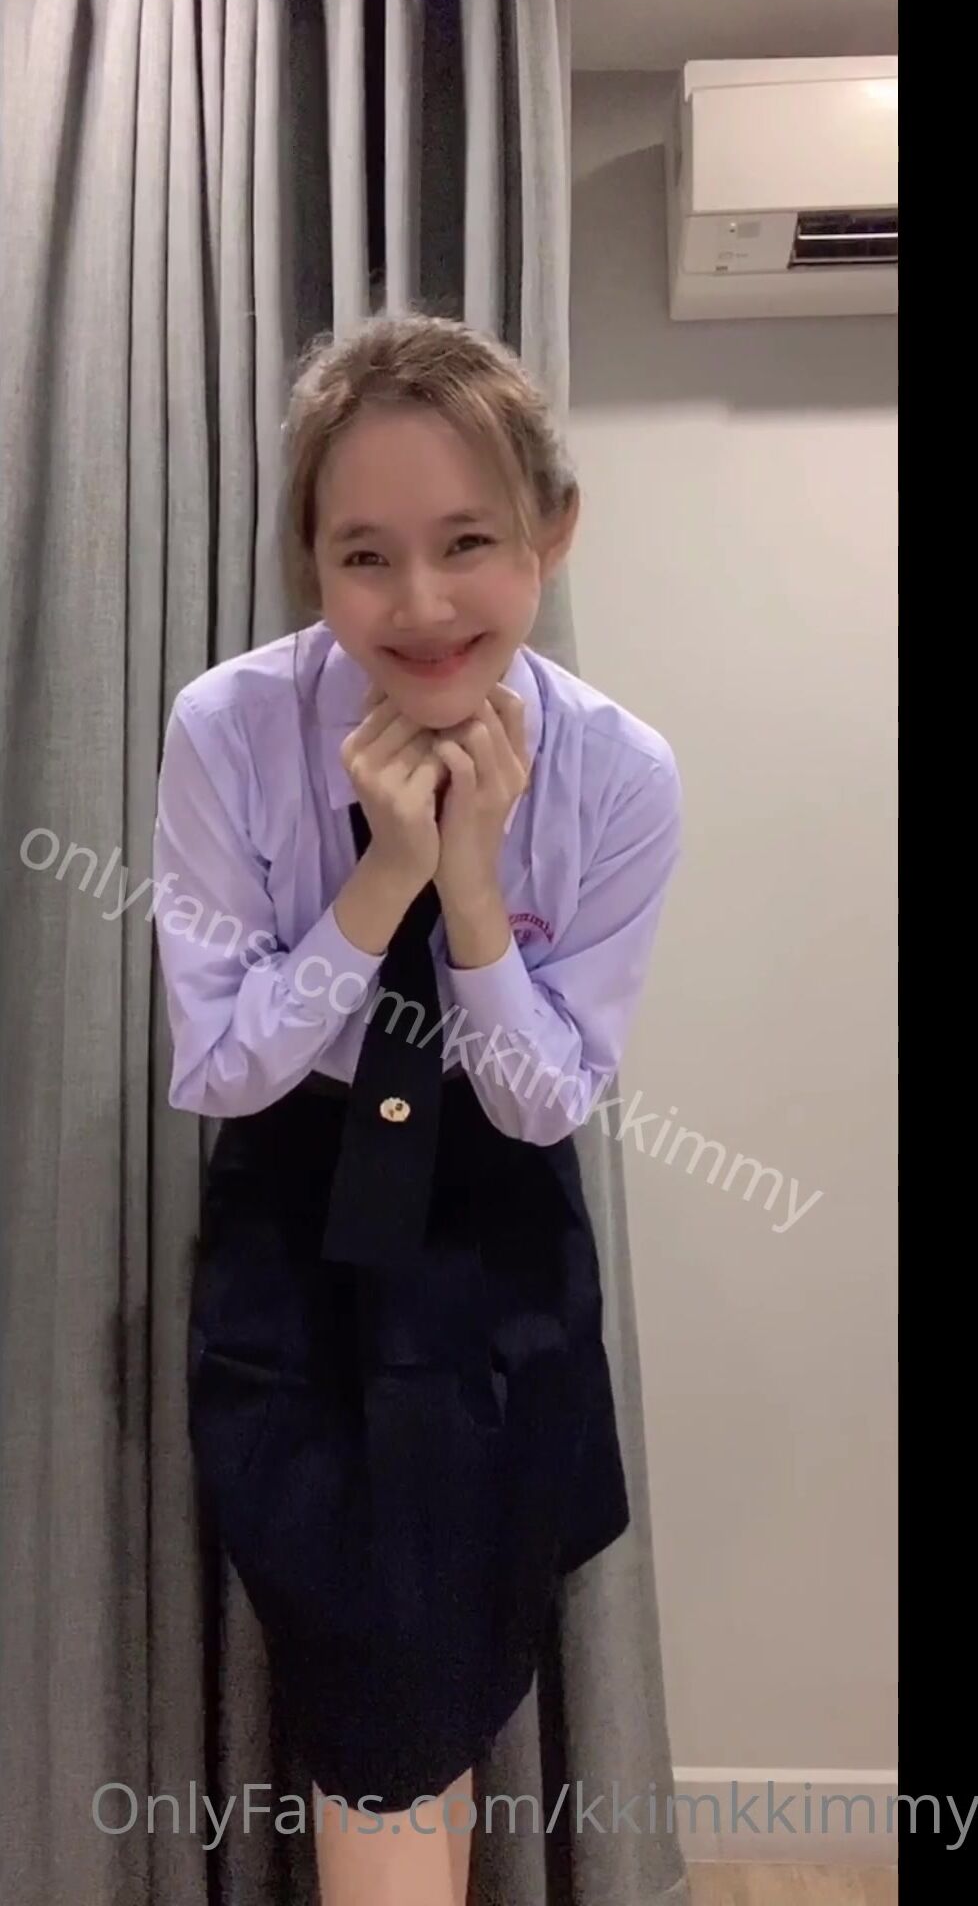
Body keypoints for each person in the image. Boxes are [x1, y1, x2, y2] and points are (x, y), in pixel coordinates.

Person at [152, 312, 682, 1906]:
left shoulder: (618, 776)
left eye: (467, 543)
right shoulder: (229, 728)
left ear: (549, 535)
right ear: (310, 561)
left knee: (438, 1681)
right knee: (375, 1702)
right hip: (296, 1230)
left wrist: (469, 890)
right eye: (364, 556)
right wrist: (379, 877)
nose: (424, 605)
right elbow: (219, 1069)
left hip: (495, 1235)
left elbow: (541, 1104)